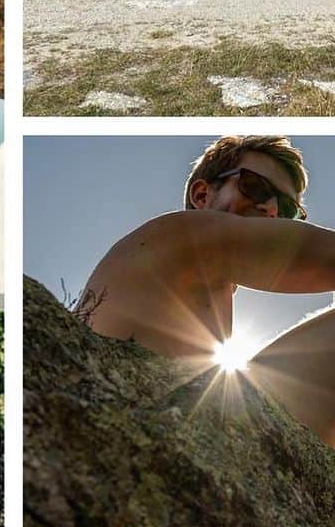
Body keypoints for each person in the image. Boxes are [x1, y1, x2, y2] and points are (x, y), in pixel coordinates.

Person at [76, 134, 335, 448]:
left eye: (288, 211)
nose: (270, 210)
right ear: (201, 194)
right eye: (255, 187)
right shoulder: (171, 236)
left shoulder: (205, 309)